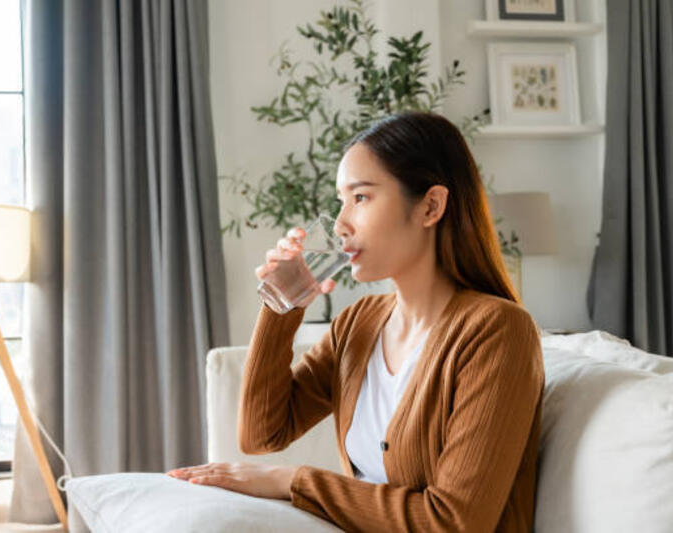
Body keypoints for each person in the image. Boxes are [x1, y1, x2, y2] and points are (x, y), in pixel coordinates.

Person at [167, 111, 545, 532]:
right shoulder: (359, 325)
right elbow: (262, 434)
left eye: (360, 198)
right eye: (340, 202)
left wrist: (293, 480)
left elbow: (454, 523)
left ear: (430, 206)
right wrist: (282, 306)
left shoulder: (497, 331)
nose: (341, 224)